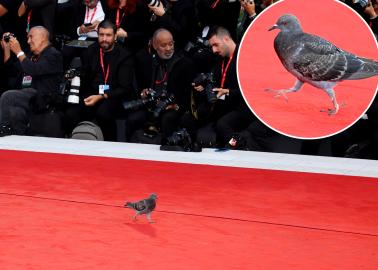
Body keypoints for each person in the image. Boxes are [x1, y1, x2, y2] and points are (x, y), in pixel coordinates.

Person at [64, 20, 136, 141]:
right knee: (71, 112)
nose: (104, 39)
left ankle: (110, 145)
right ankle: (74, 144)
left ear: (115, 36)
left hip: (114, 95)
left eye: (108, 35)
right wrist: (75, 73)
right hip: (92, 92)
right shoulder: (91, 50)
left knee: (103, 113)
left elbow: (124, 88)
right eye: (101, 35)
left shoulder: (125, 56)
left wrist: (101, 96)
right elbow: (85, 72)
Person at [191, 26, 255, 149]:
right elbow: (216, 82)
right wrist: (204, 87)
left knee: (222, 124)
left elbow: (251, 90)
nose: (214, 50)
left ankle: (238, 146)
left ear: (226, 39)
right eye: (212, 46)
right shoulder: (219, 59)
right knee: (194, 117)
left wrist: (228, 92)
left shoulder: (244, 57)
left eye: (216, 45)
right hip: (223, 104)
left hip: (243, 106)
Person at [128, 28, 195, 142]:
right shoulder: (146, 62)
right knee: (132, 119)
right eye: (164, 45)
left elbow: (188, 94)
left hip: (174, 107)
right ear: (154, 46)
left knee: (167, 119)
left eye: (171, 44)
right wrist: (143, 93)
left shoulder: (185, 63)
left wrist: (176, 106)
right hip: (152, 106)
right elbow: (141, 87)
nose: (168, 49)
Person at [0, 26, 63, 136]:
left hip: (43, 96)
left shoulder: (53, 55)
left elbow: (34, 70)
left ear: (42, 38)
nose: (28, 41)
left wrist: (19, 52)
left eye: (31, 37)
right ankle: (19, 139)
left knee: (8, 96)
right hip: (27, 97)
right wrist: (7, 49)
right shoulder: (30, 55)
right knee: (15, 113)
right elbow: (12, 71)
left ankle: (3, 132)